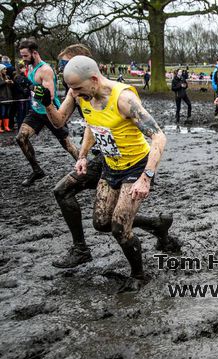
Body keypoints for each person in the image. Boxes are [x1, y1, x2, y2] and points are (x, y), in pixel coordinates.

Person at [37, 44, 178, 270]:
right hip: (110, 166)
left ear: (94, 79)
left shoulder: (123, 98)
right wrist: (81, 155)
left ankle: (139, 276)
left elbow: (159, 137)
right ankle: (157, 226)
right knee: (101, 223)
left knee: (119, 228)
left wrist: (146, 178)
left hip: (135, 166)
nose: (74, 93)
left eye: (77, 88)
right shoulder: (81, 94)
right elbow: (82, 124)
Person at [15, 39, 78, 186]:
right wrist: (24, 86)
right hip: (36, 111)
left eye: (25, 56)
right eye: (22, 56)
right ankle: (37, 171)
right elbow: (30, 89)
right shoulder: (30, 67)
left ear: (34, 53)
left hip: (51, 112)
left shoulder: (46, 70)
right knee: (21, 138)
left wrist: (29, 85)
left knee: (67, 144)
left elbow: (47, 96)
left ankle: (85, 168)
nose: (23, 59)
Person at [13, 62, 31, 129]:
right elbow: (19, 88)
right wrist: (25, 92)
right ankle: (20, 127)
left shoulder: (23, 76)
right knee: (21, 114)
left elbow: (29, 84)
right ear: (20, 69)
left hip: (24, 97)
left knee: (24, 113)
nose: (25, 69)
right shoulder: (18, 77)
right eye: (23, 68)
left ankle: (22, 126)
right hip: (20, 98)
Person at [0, 65, 12, 132]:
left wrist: (11, 82)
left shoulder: (6, 77)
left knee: (7, 113)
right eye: (4, 69)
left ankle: (6, 126)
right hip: (1, 98)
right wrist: (5, 82)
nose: (6, 70)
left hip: (8, 98)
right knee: (2, 113)